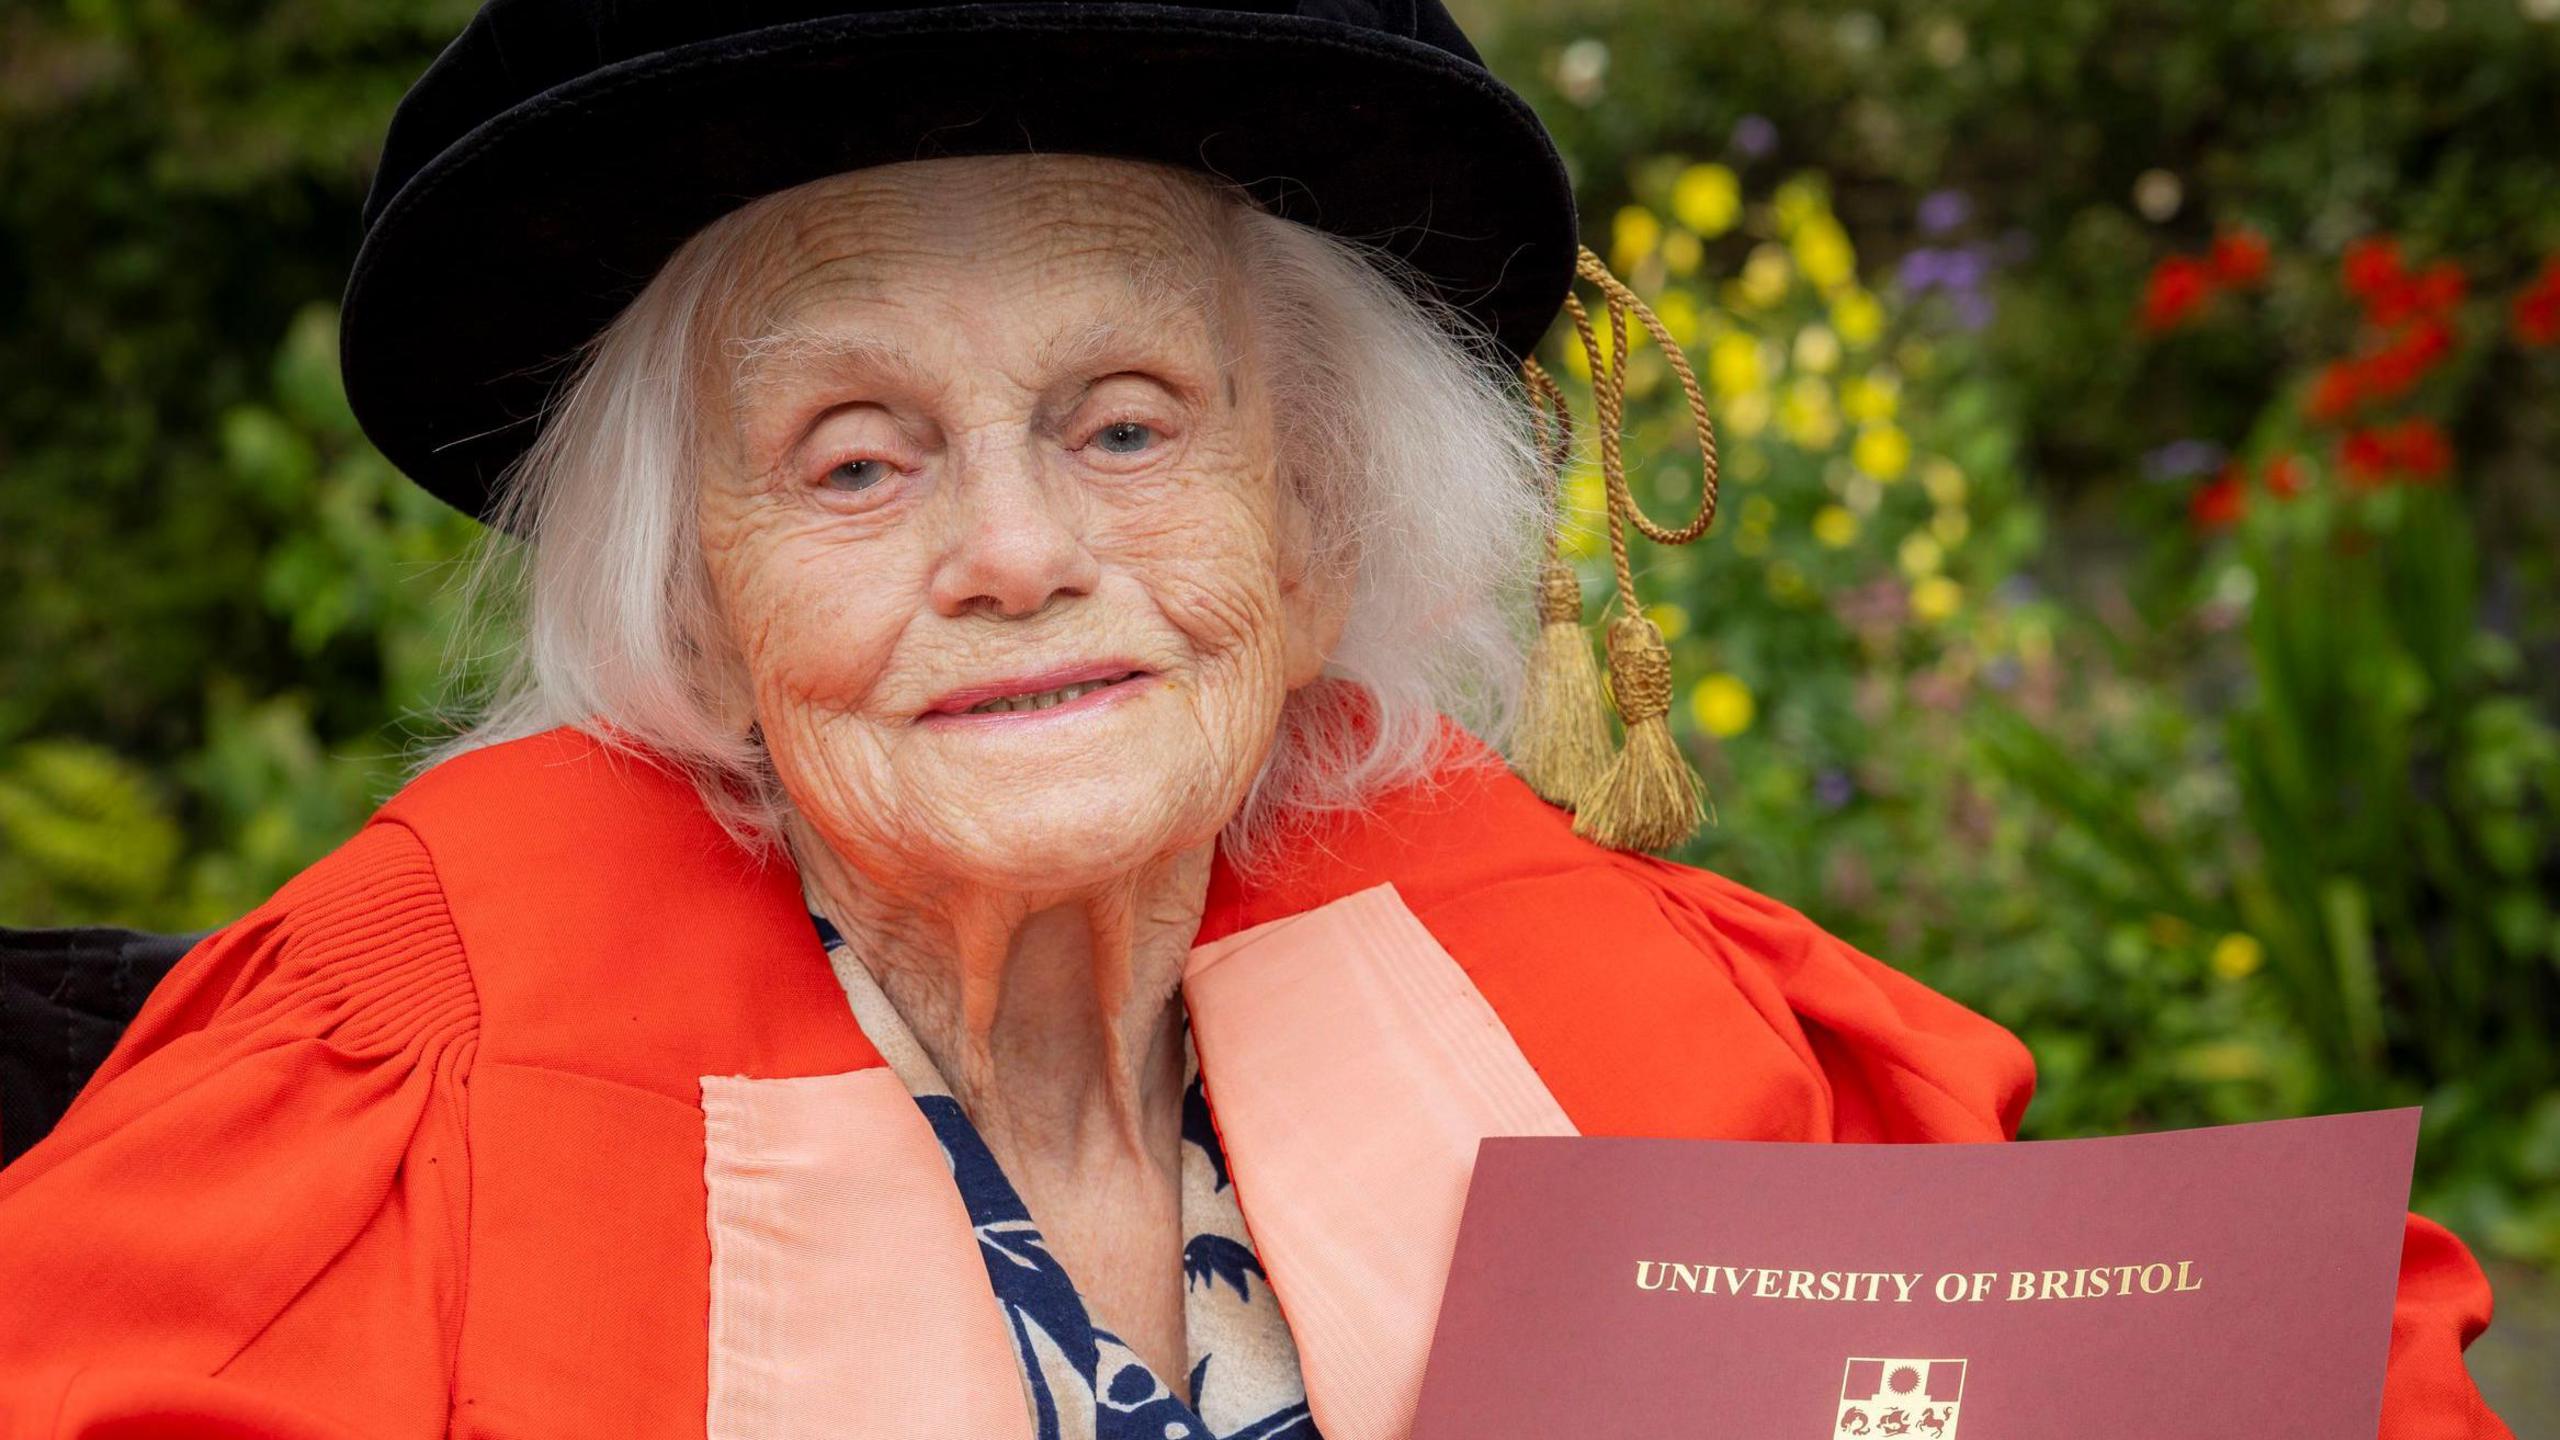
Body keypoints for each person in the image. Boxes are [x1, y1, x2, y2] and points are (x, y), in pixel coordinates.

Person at [0, 2, 2511, 1437]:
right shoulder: (423, 1042)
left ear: (1316, 529)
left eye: (1122, 424)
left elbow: (2192, 1364)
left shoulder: (1553, 956)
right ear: (696, 594)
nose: (1012, 550)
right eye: (853, 460)